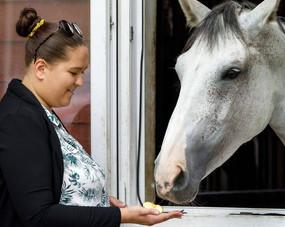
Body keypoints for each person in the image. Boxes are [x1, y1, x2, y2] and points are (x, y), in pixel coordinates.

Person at [0, 7, 183, 227]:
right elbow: (39, 216)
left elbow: (56, 187)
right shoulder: (19, 119)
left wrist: (98, 201)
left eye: (82, 73)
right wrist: (120, 217)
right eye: (73, 72)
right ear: (41, 68)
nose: (79, 82)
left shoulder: (40, 112)